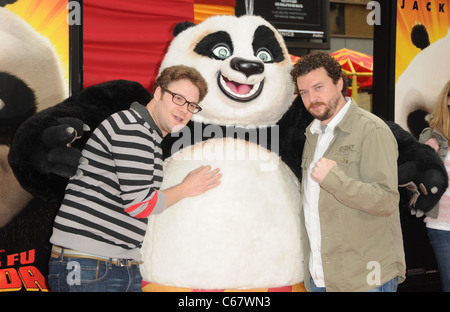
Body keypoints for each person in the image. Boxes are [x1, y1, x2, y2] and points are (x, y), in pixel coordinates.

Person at [47, 65, 222, 292]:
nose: (184, 109)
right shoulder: (134, 130)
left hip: (109, 265)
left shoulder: (145, 133)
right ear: (158, 93)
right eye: (178, 98)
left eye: (191, 105)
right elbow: (140, 204)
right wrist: (187, 188)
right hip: (91, 265)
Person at [290, 52, 405, 292]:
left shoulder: (371, 130)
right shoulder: (312, 134)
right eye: (304, 92)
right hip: (322, 277)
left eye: (318, 87)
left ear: (339, 83)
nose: (312, 98)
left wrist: (335, 181)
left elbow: (386, 200)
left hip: (364, 279)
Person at [419, 80, 450, 292]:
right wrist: (425, 156)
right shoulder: (430, 135)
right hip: (442, 225)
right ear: (448, 100)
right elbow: (416, 181)